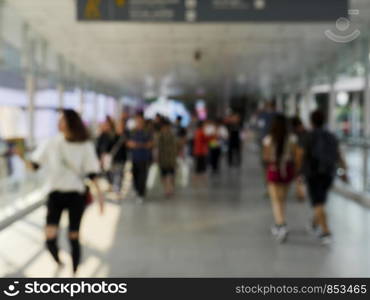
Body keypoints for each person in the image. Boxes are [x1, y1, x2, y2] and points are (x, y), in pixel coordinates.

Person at [21, 109, 104, 275]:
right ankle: (58, 261)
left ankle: (75, 271)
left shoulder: (85, 145)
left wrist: (100, 196)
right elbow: (35, 166)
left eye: (62, 120)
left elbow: (92, 173)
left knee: (73, 236)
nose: (58, 123)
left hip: (76, 195)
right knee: (49, 237)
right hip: (55, 194)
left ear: (71, 123)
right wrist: (21, 155)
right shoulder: (52, 142)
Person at [301, 110, 348, 245]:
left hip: (313, 173)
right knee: (321, 200)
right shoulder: (331, 136)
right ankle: (314, 224)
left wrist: (300, 172)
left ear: (311, 121)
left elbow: (303, 156)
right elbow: (338, 154)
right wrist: (343, 170)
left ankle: (326, 231)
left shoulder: (308, 136)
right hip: (328, 173)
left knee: (318, 202)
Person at [263, 114, 300, 243]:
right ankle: (280, 223)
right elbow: (296, 157)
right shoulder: (292, 139)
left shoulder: (269, 139)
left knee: (275, 200)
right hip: (287, 170)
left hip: (274, 170)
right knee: (282, 199)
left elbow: (266, 158)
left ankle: (281, 225)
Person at [127, 114, 154, 203]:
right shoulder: (132, 132)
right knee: (135, 175)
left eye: (140, 122)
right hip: (134, 158)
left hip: (144, 158)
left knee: (142, 177)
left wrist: (138, 145)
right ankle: (136, 189)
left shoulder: (147, 132)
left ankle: (141, 193)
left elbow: (150, 144)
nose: (138, 123)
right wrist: (139, 145)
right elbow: (129, 143)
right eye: (137, 121)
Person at [157, 119, 178, 197]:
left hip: (171, 158)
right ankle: (166, 189)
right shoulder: (160, 136)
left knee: (171, 175)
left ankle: (170, 188)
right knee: (164, 175)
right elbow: (157, 147)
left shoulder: (172, 135)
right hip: (163, 158)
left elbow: (175, 147)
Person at [290, 116, 308, 201]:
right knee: (300, 176)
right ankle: (300, 192)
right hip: (302, 158)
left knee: (299, 175)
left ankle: (301, 193)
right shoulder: (305, 132)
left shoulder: (297, 134)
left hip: (301, 158)